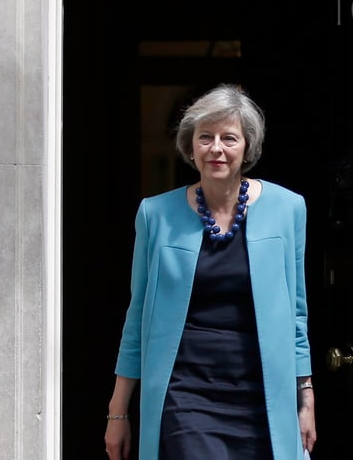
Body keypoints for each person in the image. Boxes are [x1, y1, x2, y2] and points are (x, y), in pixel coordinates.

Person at [104, 83, 316, 459]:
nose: (216, 148)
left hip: (262, 395)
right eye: (205, 137)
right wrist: (118, 412)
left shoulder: (288, 209)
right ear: (190, 146)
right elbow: (137, 318)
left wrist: (306, 400)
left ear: (247, 146)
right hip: (186, 395)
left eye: (229, 138)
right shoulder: (156, 214)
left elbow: (297, 315)